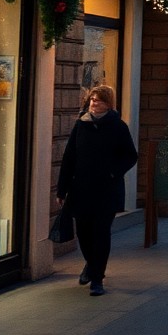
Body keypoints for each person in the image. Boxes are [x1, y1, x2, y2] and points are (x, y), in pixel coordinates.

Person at [56, 85, 138, 297]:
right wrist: (61, 189)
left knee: (101, 233)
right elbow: (69, 158)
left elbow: (130, 155)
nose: (94, 103)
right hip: (81, 189)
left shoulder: (118, 126)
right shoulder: (80, 125)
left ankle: (97, 279)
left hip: (106, 191)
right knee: (83, 232)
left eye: (99, 100)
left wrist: (112, 173)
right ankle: (91, 265)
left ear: (108, 103)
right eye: (92, 100)